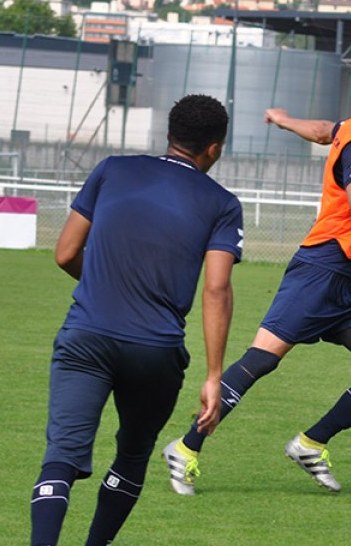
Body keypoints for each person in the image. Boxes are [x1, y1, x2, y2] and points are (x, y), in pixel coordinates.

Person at [162, 67, 351, 495]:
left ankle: (310, 443)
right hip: (320, 271)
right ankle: (185, 449)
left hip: (344, 284)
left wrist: (283, 120)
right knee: (260, 361)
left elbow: (323, 131)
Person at [31, 94, 241, 546]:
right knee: (131, 456)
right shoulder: (222, 203)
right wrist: (213, 375)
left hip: (86, 335)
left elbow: (66, 252)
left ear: (169, 134)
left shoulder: (112, 169)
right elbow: (217, 289)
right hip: (156, 351)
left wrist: (109, 283)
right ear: (215, 148)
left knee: (61, 459)